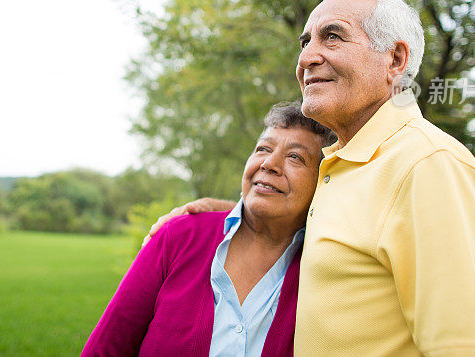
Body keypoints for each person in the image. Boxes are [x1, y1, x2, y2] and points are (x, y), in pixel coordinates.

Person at [147, 0, 475, 356]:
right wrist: (235, 213)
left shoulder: (428, 165)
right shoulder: (342, 164)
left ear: (395, 61)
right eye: (305, 43)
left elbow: (467, 347)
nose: (306, 59)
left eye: (332, 37)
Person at [81, 102, 336, 357]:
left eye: (295, 157)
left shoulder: (326, 269)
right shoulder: (177, 236)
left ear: (322, 180)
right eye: (262, 149)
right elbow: (105, 349)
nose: (269, 163)